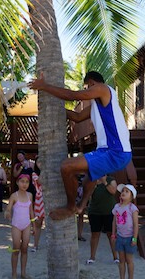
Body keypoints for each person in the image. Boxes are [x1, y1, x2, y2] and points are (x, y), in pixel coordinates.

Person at [28, 70, 132, 220]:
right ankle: (81, 205)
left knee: (67, 166)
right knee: (88, 178)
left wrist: (44, 86)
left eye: (86, 87)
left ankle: (71, 207)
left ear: (92, 83)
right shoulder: (97, 104)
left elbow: (73, 95)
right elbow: (77, 117)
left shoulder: (103, 88)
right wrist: (52, 109)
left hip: (116, 152)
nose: (86, 91)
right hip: (107, 151)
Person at [5, 172, 34, 279]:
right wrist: (7, 212)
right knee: (16, 249)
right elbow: (9, 207)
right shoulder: (14, 196)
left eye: (27, 182)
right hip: (16, 225)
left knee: (25, 249)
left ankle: (23, 273)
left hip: (27, 225)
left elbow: (31, 211)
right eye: (22, 181)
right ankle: (14, 273)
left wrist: (34, 226)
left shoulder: (30, 195)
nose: (24, 184)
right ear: (17, 182)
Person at [111, 184, 139, 279]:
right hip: (120, 237)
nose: (123, 192)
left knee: (129, 260)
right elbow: (114, 221)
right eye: (123, 191)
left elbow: (136, 224)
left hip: (129, 238)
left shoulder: (133, 208)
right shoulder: (117, 207)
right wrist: (113, 234)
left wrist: (134, 238)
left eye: (127, 191)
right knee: (121, 260)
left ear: (132, 196)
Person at [86, 175, 119, 264]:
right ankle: (92, 257)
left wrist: (104, 182)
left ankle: (116, 257)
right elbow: (87, 194)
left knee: (111, 235)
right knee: (95, 235)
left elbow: (113, 191)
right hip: (95, 212)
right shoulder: (92, 180)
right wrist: (94, 185)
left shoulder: (111, 180)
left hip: (109, 212)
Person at [31, 158, 45, 251]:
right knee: (38, 223)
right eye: (38, 162)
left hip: (49, 198)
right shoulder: (34, 174)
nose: (40, 163)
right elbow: (40, 182)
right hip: (39, 199)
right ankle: (35, 245)